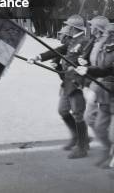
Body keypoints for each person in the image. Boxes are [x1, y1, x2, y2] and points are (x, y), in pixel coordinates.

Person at [29, 14, 92, 158]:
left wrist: (81, 69)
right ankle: (78, 137)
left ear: (73, 28)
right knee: (63, 111)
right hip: (67, 82)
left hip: (77, 83)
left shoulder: (85, 41)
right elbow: (57, 51)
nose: (66, 28)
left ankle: (82, 146)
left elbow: (87, 62)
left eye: (68, 26)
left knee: (78, 114)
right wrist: (38, 57)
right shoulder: (72, 41)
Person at [76, 22, 114, 169]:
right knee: (98, 126)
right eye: (105, 34)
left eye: (107, 34)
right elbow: (101, 68)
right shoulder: (104, 47)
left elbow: (108, 69)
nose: (105, 37)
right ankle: (107, 151)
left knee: (112, 133)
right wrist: (87, 69)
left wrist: (89, 70)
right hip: (105, 92)